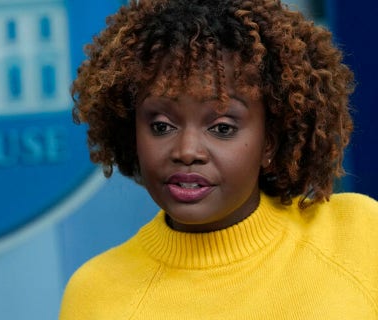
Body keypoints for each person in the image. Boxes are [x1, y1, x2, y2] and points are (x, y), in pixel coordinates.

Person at [59, 0, 378, 318]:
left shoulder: (360, 235)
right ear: (132, 132)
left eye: (222, 128)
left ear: (269, 141)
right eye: (161, 126)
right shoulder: (97, 293)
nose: (186, 151)